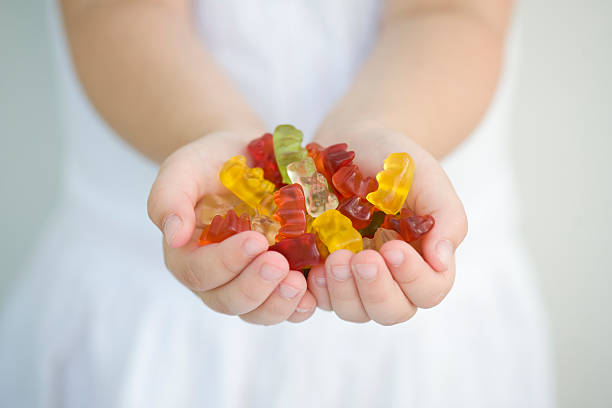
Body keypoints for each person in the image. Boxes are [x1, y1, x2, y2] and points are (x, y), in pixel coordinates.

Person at [0, 0, 554, 406]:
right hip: (141, 311)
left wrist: (381, 127)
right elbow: (115, 15)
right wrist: (214, 132)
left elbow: (453, 14)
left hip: (433, 354)